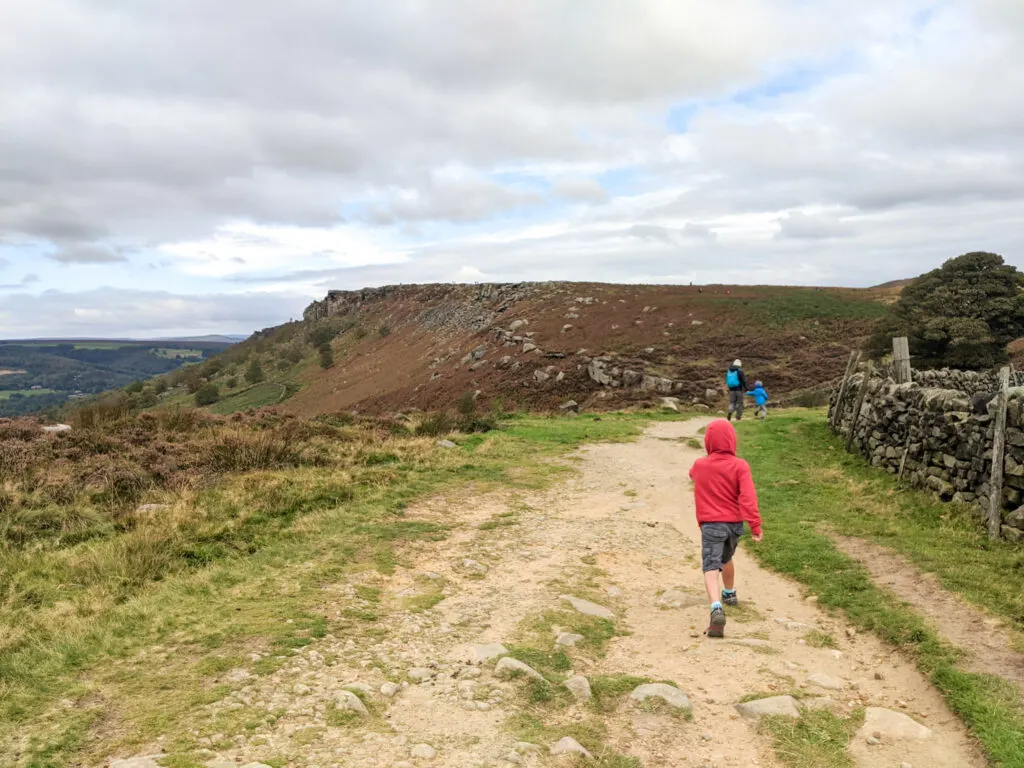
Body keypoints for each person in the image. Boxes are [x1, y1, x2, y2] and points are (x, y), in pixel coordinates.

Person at [688, 419, 763, 638]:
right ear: (732, 440)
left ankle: (716, 608)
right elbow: (748, 498)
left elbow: (692, 474)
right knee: (726, 557)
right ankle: (729, 593)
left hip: (711, 525)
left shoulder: (700, 465)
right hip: (734, 525)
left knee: (711, 566)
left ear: (708, 441)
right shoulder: (741, 465)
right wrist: (755, 526)